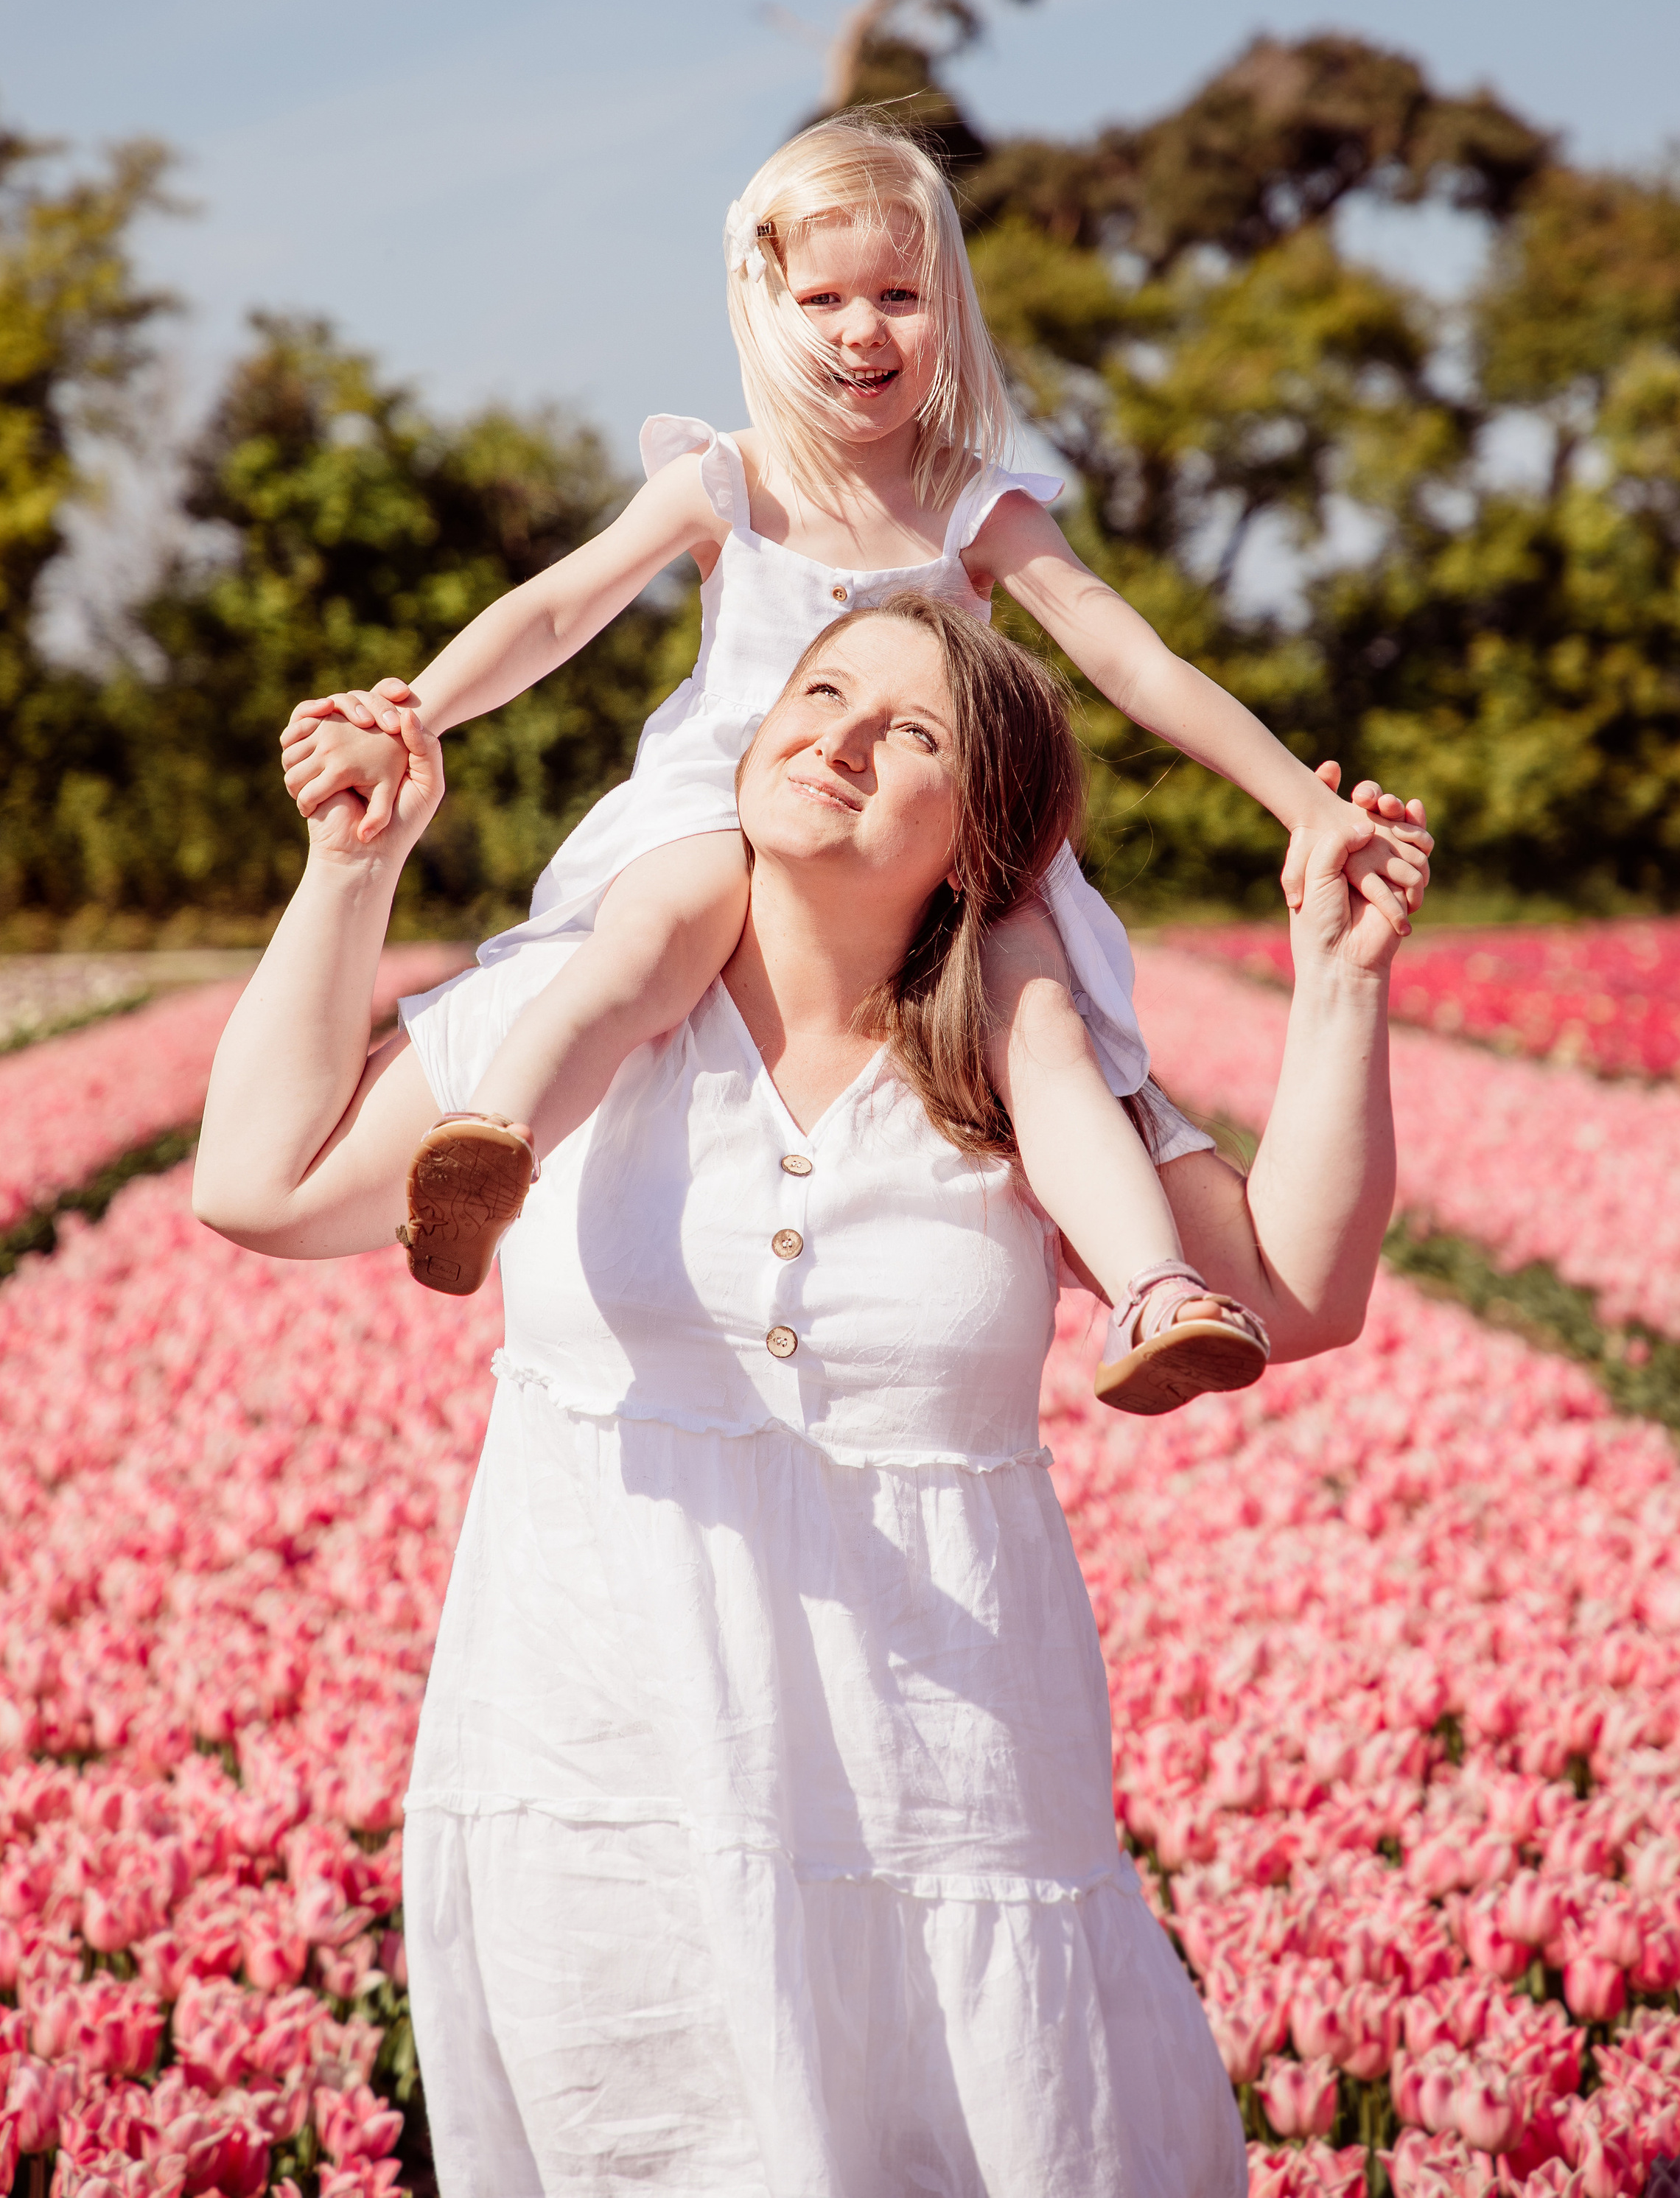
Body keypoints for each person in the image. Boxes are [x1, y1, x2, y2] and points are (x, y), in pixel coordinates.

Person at [197, 592, 1427, 2197]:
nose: (838, 740)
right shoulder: (568, 1011)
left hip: (943, 1805)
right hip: (605, 1781)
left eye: (908, 732)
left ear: (980, 840)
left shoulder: (1021, 1065)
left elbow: (1296, 1296)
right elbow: (261, 1186)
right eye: (822, 692)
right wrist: (353, 867)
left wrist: (1341, 980)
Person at [275, 119, 1429, 1413]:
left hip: (935, 832)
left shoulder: (979, 503)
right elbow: (555, 612)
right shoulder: (728, 482)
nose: (862, 331)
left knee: (1038, 1028)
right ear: (764, 306)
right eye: (822, 299)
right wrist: (412, 712)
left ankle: (1157, 1291)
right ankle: (495, 1147)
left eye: (899, 295)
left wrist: (1302, 802)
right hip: (728, 803)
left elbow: (1133, 661)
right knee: (647, 942)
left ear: (951, 307)